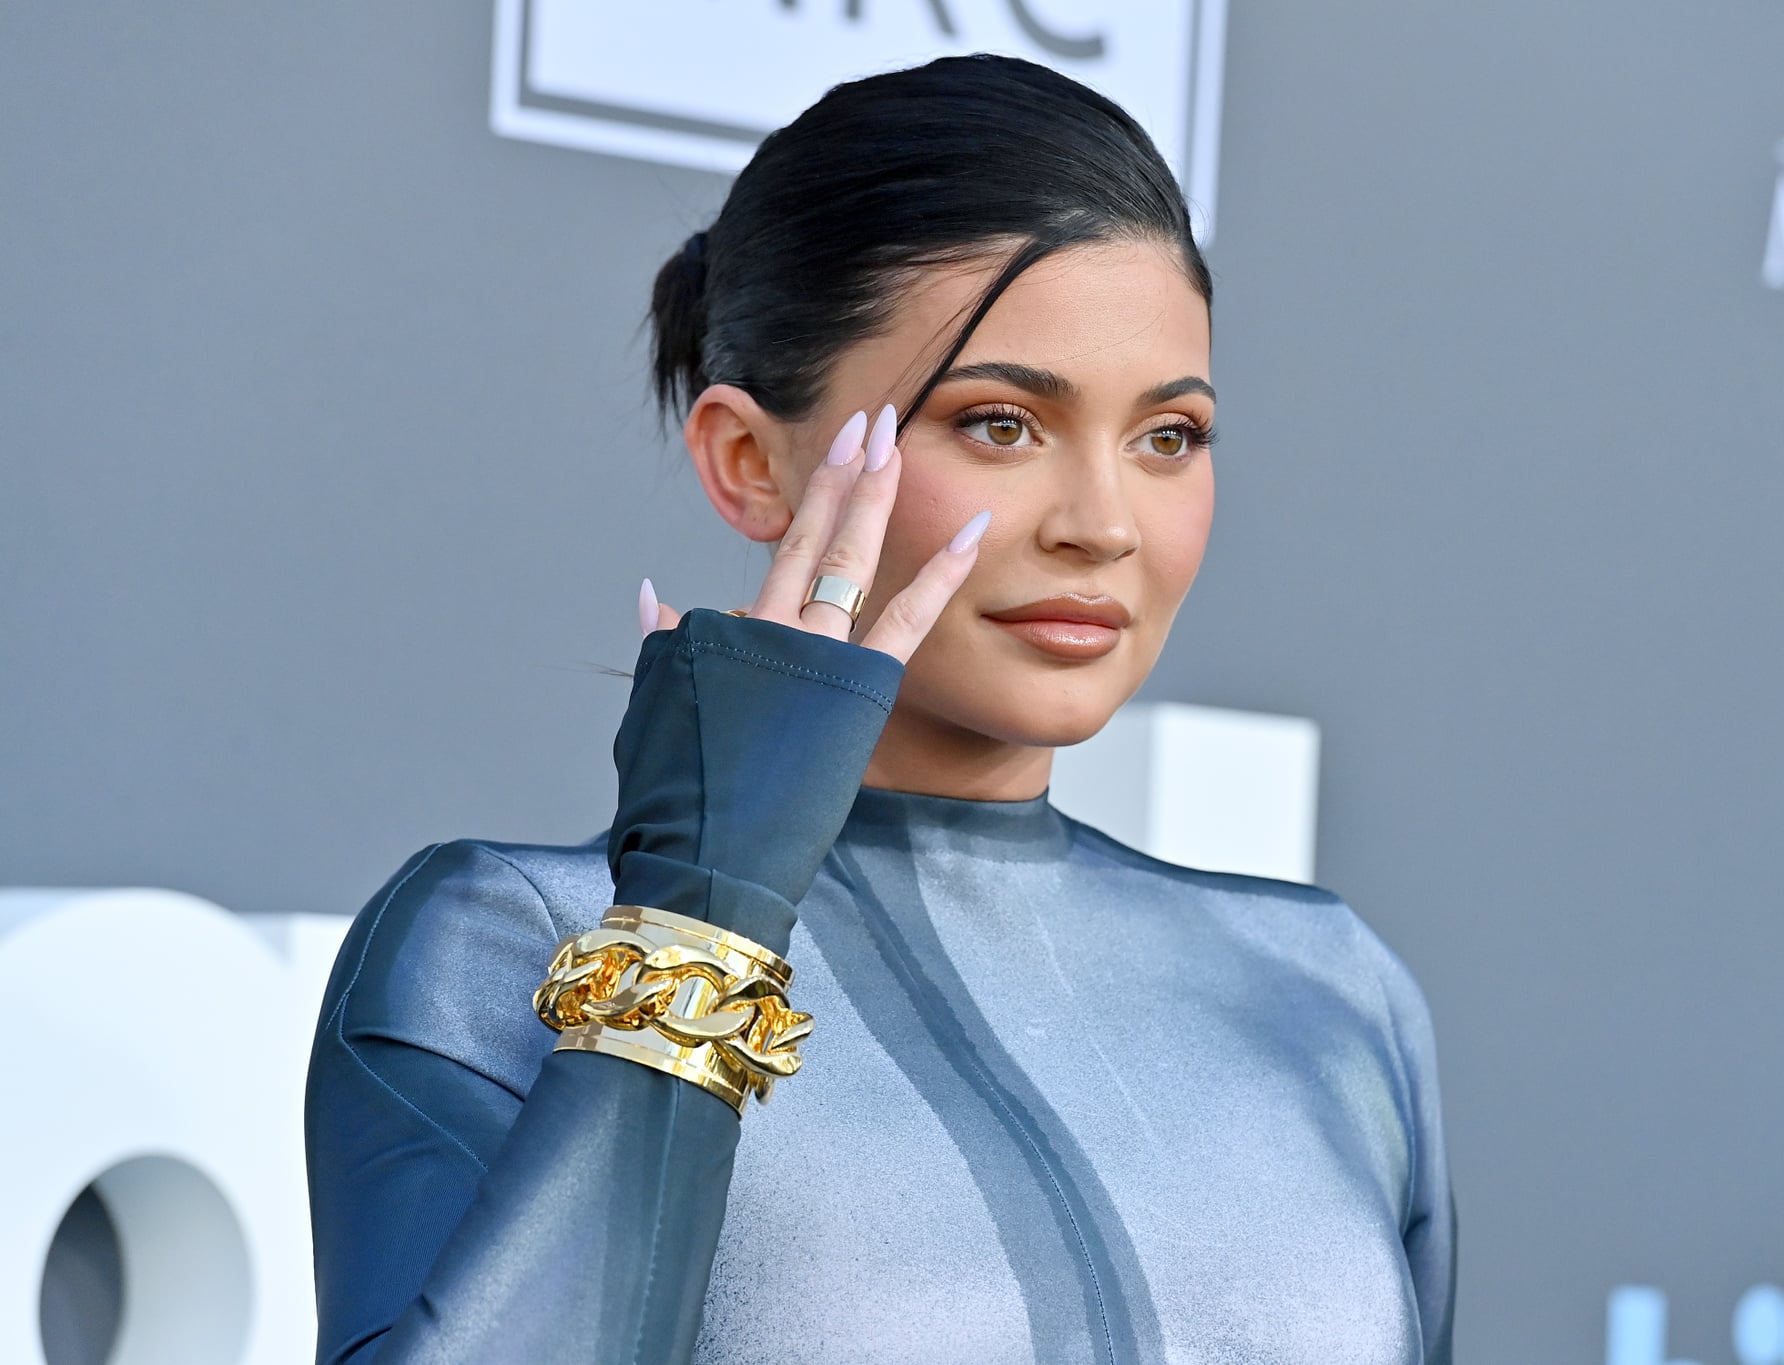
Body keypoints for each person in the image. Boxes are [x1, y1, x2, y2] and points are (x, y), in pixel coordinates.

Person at [304, 52, 1454, 1365]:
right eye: (1001, 423)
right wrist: (704, 916)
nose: (1104, 526)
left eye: (1168, 436)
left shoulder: (1330, 991)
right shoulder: (506, 946)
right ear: (750, 462)